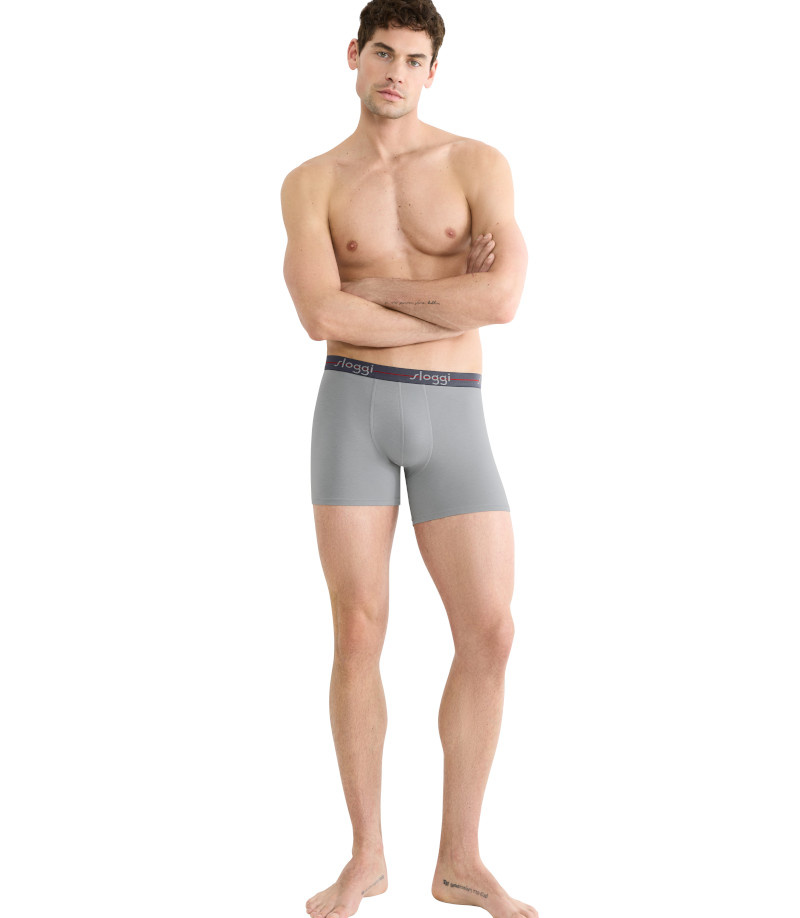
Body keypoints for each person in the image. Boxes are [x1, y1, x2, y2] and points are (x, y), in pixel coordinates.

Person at [281, 2, 534, 916]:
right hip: (350, 410)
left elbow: (502, 301)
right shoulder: (310, 182)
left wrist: (375, 291)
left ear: (434, 71)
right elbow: (322, 315)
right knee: (358, 629)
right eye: (382, 52)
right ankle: (366, 859)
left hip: (455, 414)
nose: (396, 71)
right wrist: (439, 295)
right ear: (353, 55)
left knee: (491, 632)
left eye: (414, 58)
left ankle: (460, 860)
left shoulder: (477, 164)